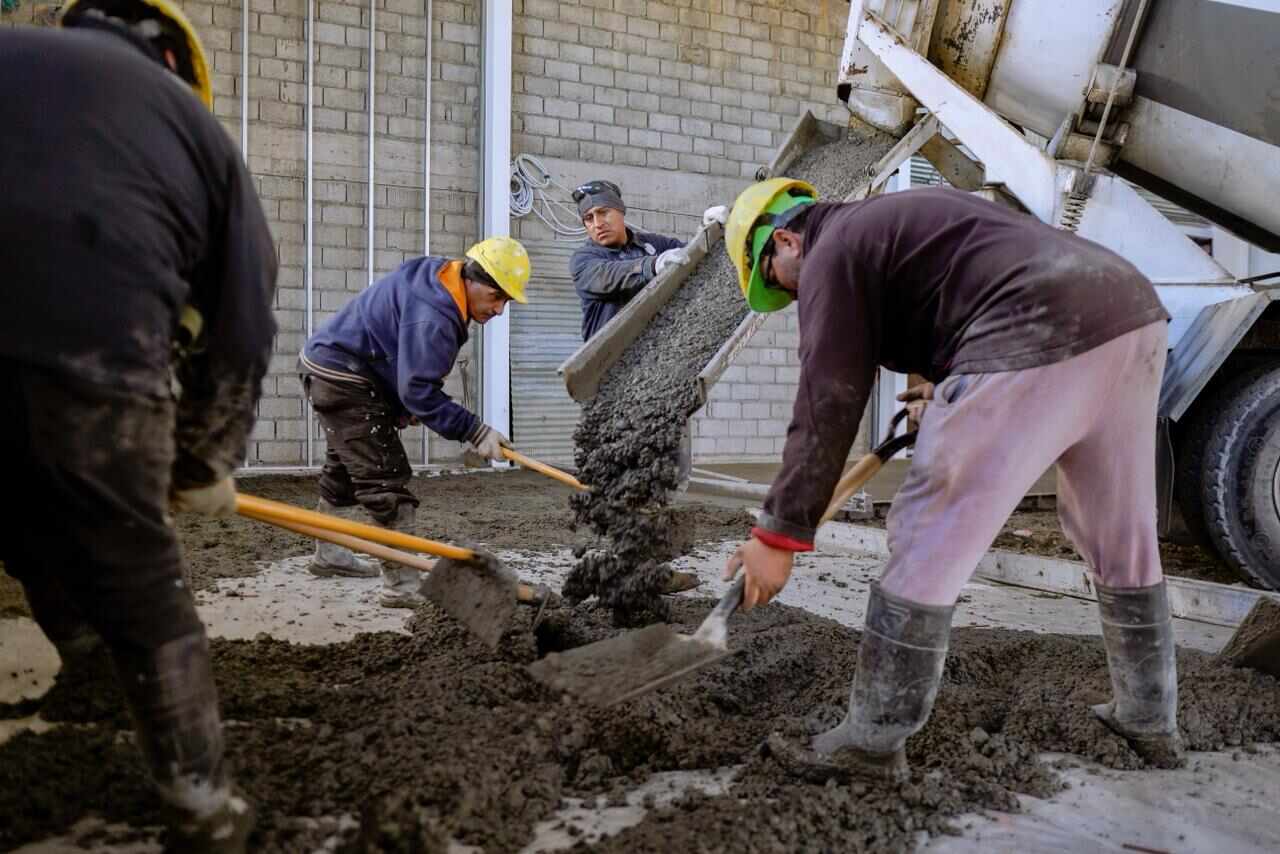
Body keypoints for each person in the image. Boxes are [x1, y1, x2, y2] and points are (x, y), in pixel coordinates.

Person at [721, 178, 1181, 781]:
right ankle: (1149, 719)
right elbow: (966, 286)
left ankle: (873, 740)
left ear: (784, 241)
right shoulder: (896, 219)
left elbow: (828, 397)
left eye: (779, 283)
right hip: (1128, 311)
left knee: (928, 530)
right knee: (1119, 532)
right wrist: (943, 382)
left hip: (1037, 322)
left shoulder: (831, 250)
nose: (792, 296)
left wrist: (778, 536)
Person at [0, 1, 278, 849]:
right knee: (137, 569)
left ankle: (84, 664)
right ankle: (203, 808)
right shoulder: (190, 129)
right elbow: (243, 318)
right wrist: (200, 458)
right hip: (88, 358)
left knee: (23, 518)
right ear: (171, 60)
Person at [299, 238, 530, 608]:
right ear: (475, 280)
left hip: (338, 367)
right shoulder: (436, 315)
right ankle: (401, 588)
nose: (500, 310)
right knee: (386, 480)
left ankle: (329, 555)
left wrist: (402, 405)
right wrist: (475, 430)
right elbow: (418, 389)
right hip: (344, 377)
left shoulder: (439, 275)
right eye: (497, 297)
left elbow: (399, 353)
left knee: (346, 466)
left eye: (506, 301)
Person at [569, 180, 689, 341]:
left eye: (603, 212)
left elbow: (693, 253)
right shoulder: (583, 259)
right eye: (589, 218)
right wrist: (652, 266)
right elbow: (607, 275)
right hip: (609, 358)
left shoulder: (655, 244)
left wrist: (708, 229)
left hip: (663, 344)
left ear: (621, 211)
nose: (598, 224)